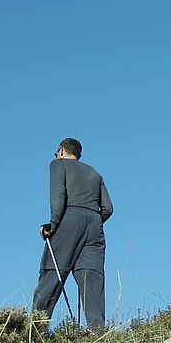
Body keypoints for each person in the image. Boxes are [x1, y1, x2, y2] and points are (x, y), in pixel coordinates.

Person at [32, 137, 113, 329]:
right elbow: (108, 208)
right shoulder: (95, 173)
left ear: (61, 151)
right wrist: (92, 221)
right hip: (94, 224)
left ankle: (35, 330)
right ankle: (97, 331)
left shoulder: (58, 165)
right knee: (91, 277)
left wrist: (53, 225)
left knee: (53, 272)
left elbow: (58, 196)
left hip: (69, 217)